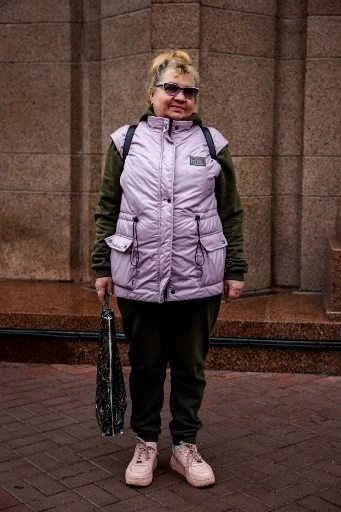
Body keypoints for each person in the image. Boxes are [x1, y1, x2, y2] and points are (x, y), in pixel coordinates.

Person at [92, 50, 248, 488]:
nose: (180, 97)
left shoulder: (213, 144)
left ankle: (184, 446)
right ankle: (145, 443)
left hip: (197, 274)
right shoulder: (125, 142)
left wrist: (235, 268)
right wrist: (101, 265)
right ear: (152, 93)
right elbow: (108, 207)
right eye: (171, 88)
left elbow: (230, 211)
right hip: (137, 272)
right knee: (144, 364)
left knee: (189, 365)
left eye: (189, 90)